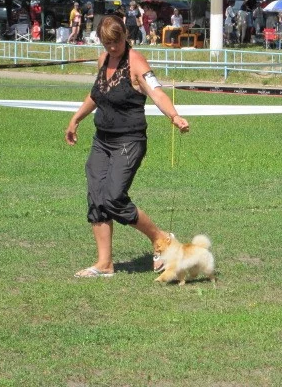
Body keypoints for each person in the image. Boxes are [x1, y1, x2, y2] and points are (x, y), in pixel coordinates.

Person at [65, 15, 190, 278]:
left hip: (129, 141)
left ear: (125, 36)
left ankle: (161, 239)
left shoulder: (136, 62)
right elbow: (97, 94)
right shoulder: (103, 60)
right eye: (107, 43)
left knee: (113, 197)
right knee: (97, 198)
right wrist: (76, 119)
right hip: (102, 141)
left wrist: (174, 116)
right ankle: (104, 264)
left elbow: (156, 92)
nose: (112, 48)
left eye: (116, 41)